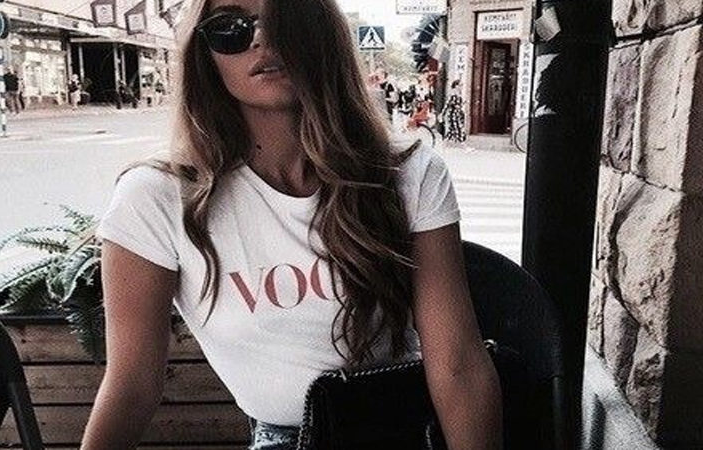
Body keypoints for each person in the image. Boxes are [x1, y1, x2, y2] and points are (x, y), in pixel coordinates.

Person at [81, 0, 502, 450]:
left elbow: (458, 364)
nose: (263, 38)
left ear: (323, 32)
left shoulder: (408, 172)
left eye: (286, 17)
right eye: (229, 27)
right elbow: (132, 386)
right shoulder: (157, 196)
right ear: (204, 55)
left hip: (407, 427)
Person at [442, 79, 467, 144]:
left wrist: (462, 104)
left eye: (462, 85)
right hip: (453, 114)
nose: (462, 87)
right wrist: (443, 113)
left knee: (452, 131)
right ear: (456, 86)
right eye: (460, 85)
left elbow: (457, 104)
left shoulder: (458, 94)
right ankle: (463, 145)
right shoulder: (453, 94)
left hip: (456, 114)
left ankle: (444, 144)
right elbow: (448, 104)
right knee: (458, 129)